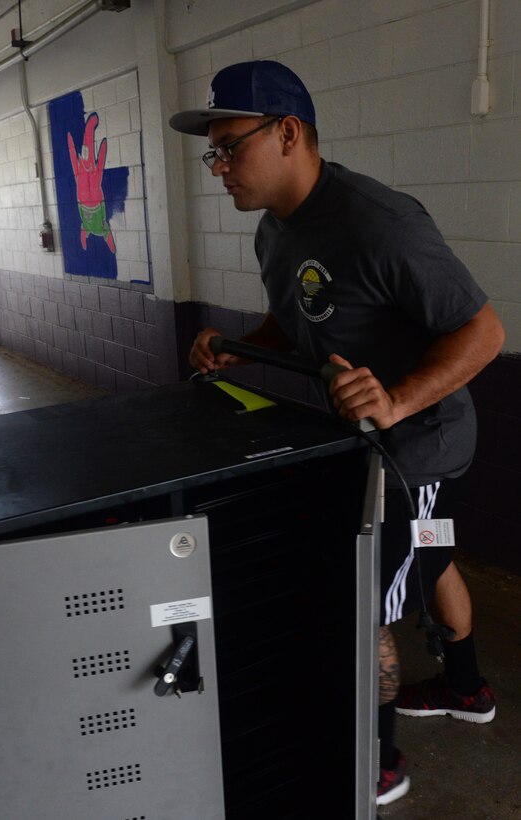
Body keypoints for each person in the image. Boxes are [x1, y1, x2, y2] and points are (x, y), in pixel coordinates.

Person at [169, 60, 505, 806]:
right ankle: (466, 688)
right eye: (213, 153)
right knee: (429, 558)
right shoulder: (274, 232)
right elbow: (298, 318)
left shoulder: (379, 222)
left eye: (229, 148)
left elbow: (483, 332)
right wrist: (240, 345)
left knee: (363, 596)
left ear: (288, 133)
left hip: (420, 450)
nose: (218, 167)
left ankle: (379, 762)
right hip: (368, 442)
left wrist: (397, 400)